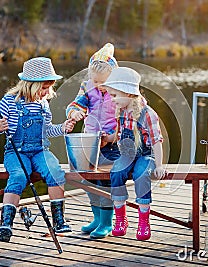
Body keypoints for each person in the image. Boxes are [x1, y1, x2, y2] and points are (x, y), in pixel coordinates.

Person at [0, 57, 76, 242]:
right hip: (16, 152)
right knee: (19, 176)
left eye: (49, 88)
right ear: (31, 85)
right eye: (44, 88)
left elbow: (47, 130)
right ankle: (6, 224)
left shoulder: (43, 104)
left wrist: (62, 128)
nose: (47, 92)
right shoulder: (9, 101)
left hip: (39, 150)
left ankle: (58, 221)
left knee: (55, 172)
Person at [100, 67, 166, 241]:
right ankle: (121, 219)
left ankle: (144, 221)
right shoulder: (121, 111)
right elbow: (118, 134)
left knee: (141, 173)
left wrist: (159, 165)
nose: (112, 100)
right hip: (128, 155)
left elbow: (157, 141)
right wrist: (106, 138)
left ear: (128, 93)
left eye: (114, 95)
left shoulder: (147, 114)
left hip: (146, 154)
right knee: (116, 172)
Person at [66, 43, 120, 239]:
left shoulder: (118, 91)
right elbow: (75, 104)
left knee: (105, 181)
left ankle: (106, 222)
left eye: (103, 82)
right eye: (95, 81)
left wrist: (112, 135)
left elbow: (125, 117)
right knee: (88, 178)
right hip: (90, 140)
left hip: (112, 143)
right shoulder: (87, 86)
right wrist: (75, 112)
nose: (99, 85)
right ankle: (97, 218)